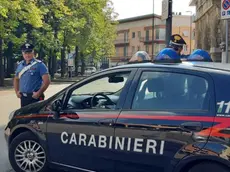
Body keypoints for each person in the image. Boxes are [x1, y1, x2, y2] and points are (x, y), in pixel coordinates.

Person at [14, 43, 51, 107]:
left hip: (35, 97)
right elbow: (16, 79)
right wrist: (17, 91)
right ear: (22, 54)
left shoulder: (40, 65)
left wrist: (39, 93)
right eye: (25, 53)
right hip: (23, 97)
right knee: (24, 116)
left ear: (33, 53)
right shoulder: (20, 65)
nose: (27, 55)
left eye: (29, 53)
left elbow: (47, 81)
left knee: (35, 116)